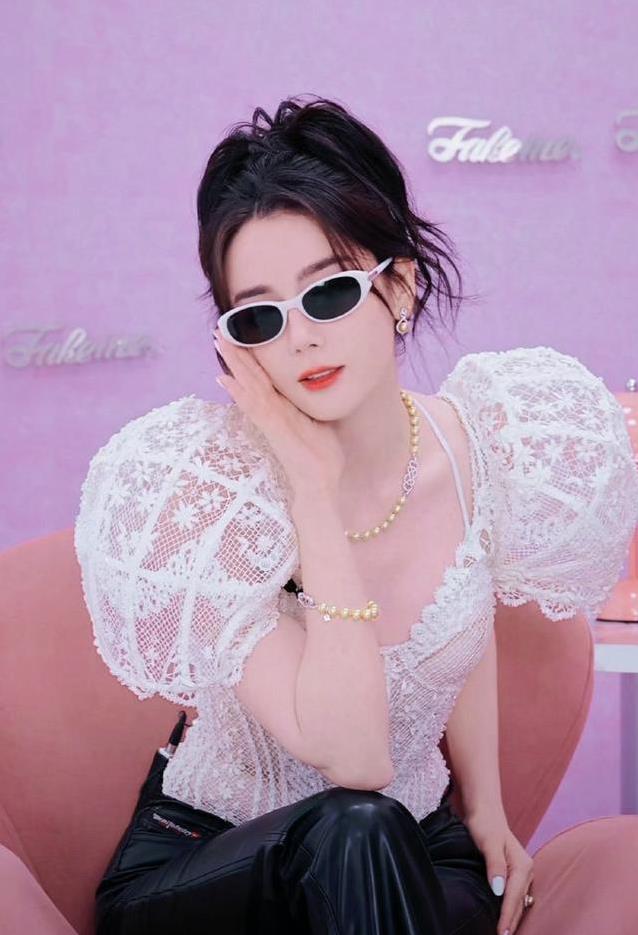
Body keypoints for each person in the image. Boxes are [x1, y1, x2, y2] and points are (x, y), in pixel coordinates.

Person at [74, 95, 638, 935]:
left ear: (400, 285)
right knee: (356, 821)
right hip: (216, 864)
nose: (300, 338)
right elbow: (358, 759)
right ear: (235, 342)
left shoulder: (477, 447)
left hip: (408, 847)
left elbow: (462, 625)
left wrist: (484, 805)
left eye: (330, 293)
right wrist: (310, 487)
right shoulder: (214, 497)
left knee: (391, 851)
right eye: (260, 315)